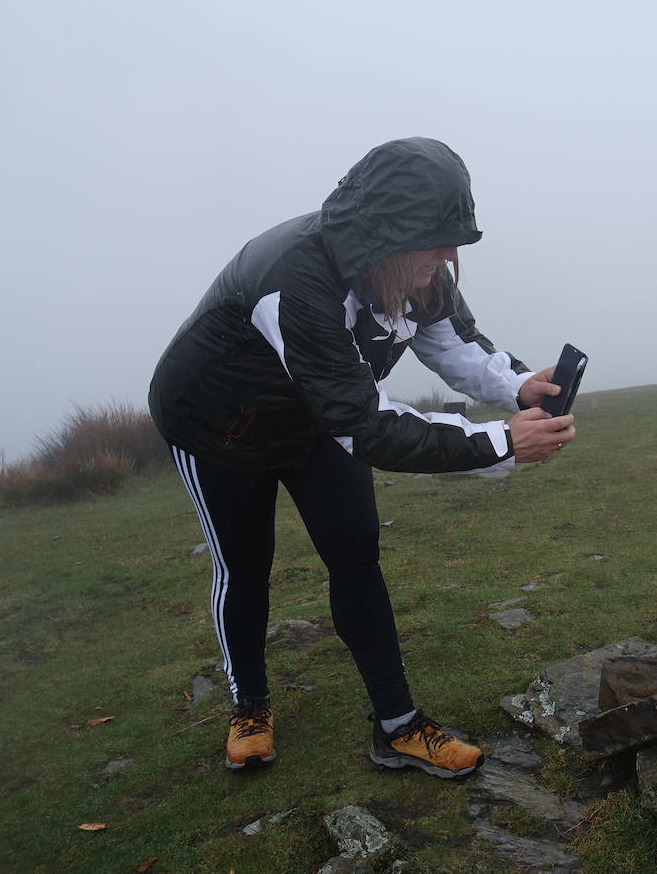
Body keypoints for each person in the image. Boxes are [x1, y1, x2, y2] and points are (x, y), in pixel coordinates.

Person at [148, 137, 575, 778]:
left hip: (319, 424)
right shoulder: (294, 281)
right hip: (219, 431)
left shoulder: (416, 271)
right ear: (390, 235)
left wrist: (516, 386)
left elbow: (454, 344)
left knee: (356, 555)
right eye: (437, 239)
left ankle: (398, 726)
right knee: (245, 566)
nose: (449, 256)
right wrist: (499, 442)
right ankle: (250, 705)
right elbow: (362, 423)